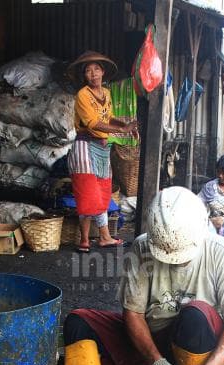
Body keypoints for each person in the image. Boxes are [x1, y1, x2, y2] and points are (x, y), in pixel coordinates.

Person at [60, 187, 224, 365]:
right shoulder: (143, 247)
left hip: (199, 344)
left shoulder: (221, 252)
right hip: (153, 342)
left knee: (194, 314)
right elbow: (133, 313)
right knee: (78, 321)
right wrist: (157, 362)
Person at [67, 50, 138, 253]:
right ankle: (88, 239)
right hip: (84, 147)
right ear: (84, 76)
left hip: (102, 147)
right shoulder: (82, 95)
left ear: (103, 72)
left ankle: (98, 238)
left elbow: (108, 119)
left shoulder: (106, 93)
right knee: (87, 193)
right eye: (88, 70)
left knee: (102, 191)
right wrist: (121, 129)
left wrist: (126, 124)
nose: (93, 73)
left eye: (96, 69)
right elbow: (92, 123)